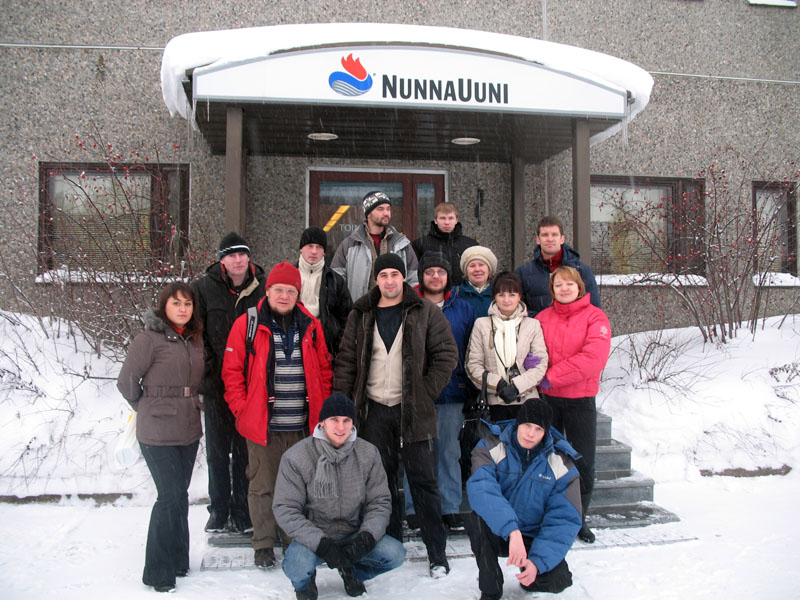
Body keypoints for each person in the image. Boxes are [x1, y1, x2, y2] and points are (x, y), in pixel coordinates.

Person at [334, 253, 458, 578]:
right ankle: (390, 546)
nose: (389, 281)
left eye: (394, 274)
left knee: (424, 484)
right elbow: (346, 361)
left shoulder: (425, 311)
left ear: (404, 277)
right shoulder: (361, 313)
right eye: (383, 275)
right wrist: (344, 407)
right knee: (381, 485)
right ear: (375, 279)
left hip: (414, 413)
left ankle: (436, 553)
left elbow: (447, 355)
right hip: (374, 411)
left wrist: (425, 391)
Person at [221, 262, 333, 569]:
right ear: (267, 291)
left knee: (298, 487)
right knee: (262, 486)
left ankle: (292, 538)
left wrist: (322, 411)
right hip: (263, 426)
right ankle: (263, 543)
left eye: (290, 291)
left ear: (298, 294)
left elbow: (324, 370)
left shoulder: (311, 325)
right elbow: (231, 374)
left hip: (302, 425)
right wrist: (243, 411)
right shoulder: (248, 324)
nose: (284, 296)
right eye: (278, 290)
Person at [116, 282, 204, 593]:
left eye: (187, 304)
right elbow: (127, 381)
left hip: (188, 427)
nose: (182, 308)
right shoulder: (149, 339)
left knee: (180, 494)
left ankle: (179, 560)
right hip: (156, 430)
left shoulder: (194, 339)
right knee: (168, 496)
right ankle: (158, 572)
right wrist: (145, 405)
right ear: (164, 306)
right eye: (176, 303)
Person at [274, 393, 406, 600]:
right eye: (334, 420)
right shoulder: (297, 457)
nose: (341, 427)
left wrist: (366, 538)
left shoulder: (368, 453)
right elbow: (285, 509)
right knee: (297, 565)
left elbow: (379, 502)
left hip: (354, 533)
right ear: (322, 422)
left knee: (395, 554)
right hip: (315, 537)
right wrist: (321, 544)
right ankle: (304, 584)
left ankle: (352, 571)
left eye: (346, 421)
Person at [466, 398, 583, 600]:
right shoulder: (490, 446)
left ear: (546, 432)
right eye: (527, 425)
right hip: (500, 531)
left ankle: (530, 569)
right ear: (518, 423)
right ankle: (491, 588)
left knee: (556, 581)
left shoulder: (561, 463)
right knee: (476, 520)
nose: (531, 434)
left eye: (538, 429)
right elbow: (482, 490)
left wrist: (538, 562)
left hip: (534, 535)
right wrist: (512, 531)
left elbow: (564, 518)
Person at [192, 231, 266, 534]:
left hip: (250, 387)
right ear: (222, 260)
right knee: (218, 453)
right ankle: (219, 510)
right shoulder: (203, 288)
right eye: (232, 255)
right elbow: (197, 334)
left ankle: (243, 510)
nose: (238, 260)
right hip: (216, 386)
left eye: (242, 254)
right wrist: (213, 369)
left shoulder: (262, 287)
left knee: (246, 452)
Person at [535, 265, 612, 544]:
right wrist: (534, 367)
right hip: (548, 401)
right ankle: (551, 515)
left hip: (580, 401)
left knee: (582, 462)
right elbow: (533, 351)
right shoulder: (542, 318)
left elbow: (593, 358)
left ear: (579, 287)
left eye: (569, 284)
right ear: (552, 290)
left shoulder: (595, 317)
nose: (564, 289)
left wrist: (551, 376)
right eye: (558, 285)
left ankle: (579, 518)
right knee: (549, 461)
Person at [403, 252, 476, 531]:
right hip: (416, 392)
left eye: (441, 272)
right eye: (429, 271)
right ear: (421, 275)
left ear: (448, 276)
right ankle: (415, 507)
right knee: (416, 452)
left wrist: (470, 386)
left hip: (451, 392)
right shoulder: (408, 305)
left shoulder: (462, 308)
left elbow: (470, 349)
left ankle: (449, 508)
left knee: (448, 452)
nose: (435, 276)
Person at [466, 271, 549, 423]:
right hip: (493, 402)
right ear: (494, 297)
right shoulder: (482, 324)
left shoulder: (532, 325)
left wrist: (516, 387)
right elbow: (473, 365)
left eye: (512, 294)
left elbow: (541, 364)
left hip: (526, 401)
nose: (506, 300)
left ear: (519, 296)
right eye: (501, 294)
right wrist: (498, 384)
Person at [331, 190, 418, 301]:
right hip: (360, 308)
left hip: (395, 309)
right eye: (380, 209)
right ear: (368, 214)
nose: (386, 213)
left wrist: (407, 304)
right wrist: (347, 307)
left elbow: (414, 279)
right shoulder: (349, 244)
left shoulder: (402, 244)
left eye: (388, 209)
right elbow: (336, 280)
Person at [516, 215, 601, 317]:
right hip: (538, 326)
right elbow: (517, 310)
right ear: (538, 239)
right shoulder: (523, 273)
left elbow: (594, 310)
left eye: (554, 234)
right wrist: (544, 319)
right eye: (545, 235)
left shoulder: (582, 271)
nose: (550, 239)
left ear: (562, 239)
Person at [296, 226, 352, 360]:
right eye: (310, 246)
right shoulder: (288, 276)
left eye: (319, 247)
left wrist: (337, 350)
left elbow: (347, 318)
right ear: (301, 248)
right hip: (294, 348)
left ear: (324, 252)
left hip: (325, 351)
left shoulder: (335, 281)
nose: (314, 251)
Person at [411, 202, 478, 286]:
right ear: (436, 220)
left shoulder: (470, 245)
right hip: (432, 291)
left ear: (456, 220)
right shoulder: (420, 244)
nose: (447, 222)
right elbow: (414, 274)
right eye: (442, 218)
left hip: (464, 291)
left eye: (451, 218)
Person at [452, 245, 498, 318]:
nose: (477, 269)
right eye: (472, 266)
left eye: (481, 265)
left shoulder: (499, 293)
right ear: (466, 271)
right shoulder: (454, 294)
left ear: (489, 270)